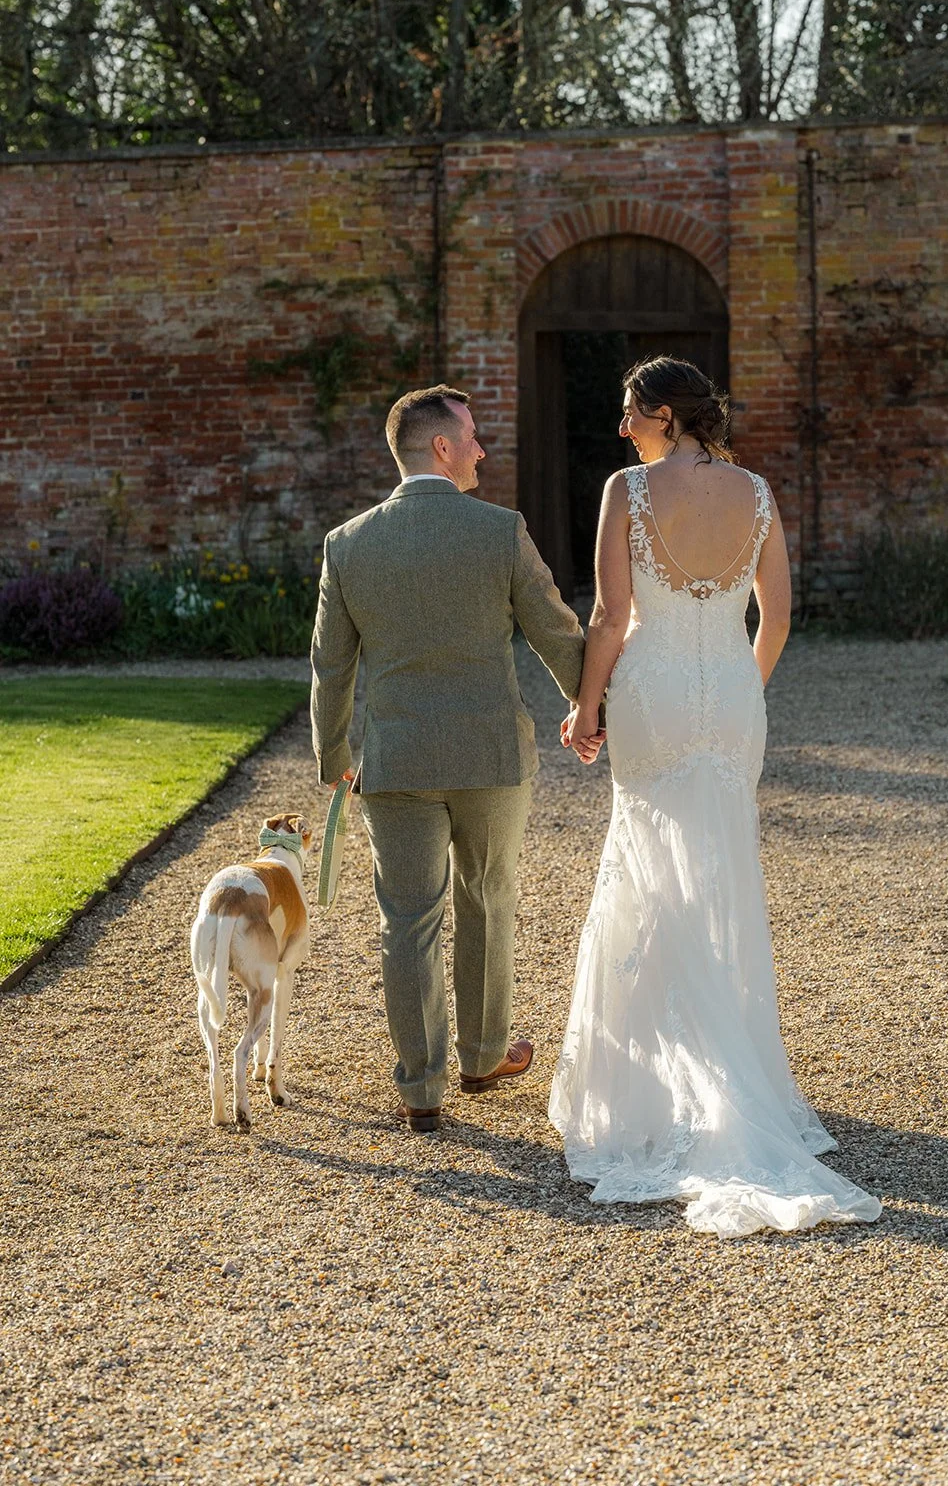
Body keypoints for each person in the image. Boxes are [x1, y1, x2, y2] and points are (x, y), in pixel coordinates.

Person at [550, 356, 882, 1237]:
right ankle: (732, 1078)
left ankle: (656, 1095)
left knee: (648, 872)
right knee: (721, 876)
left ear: (661, 414)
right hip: (731, 696)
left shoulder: (628, 489)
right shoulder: (758, 492)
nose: (621, 429)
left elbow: (611, 618)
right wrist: (745, 686)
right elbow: (774, 616)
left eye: (629, 413)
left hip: (653, 691)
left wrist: (585, 707)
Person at [310, 385, 590, 1132]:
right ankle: (483, 1055)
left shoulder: (348, 542)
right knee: (488, 900)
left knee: (406, 922)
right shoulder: (499, 531)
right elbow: (555, 631)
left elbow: (330, 669)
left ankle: (419, 1089)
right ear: (440, 446)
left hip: (396, 761)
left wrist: (333, 755)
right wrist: (588, 708)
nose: (480, 450)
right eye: (470, 437)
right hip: (490, 756)